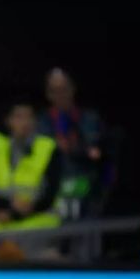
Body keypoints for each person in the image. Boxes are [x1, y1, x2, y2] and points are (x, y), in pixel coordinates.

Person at [37, 68, 105, 220]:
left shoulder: (90, 119)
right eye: (54, 91)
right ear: (48, 94)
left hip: (85, 191)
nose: (60, 95)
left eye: (64, 89)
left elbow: (95, 153)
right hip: (53, 193)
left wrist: (73, 148)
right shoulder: (42, 123)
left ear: (73, 89)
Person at [0, 101, 62, 231]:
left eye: (29, 117)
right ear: (8, 121)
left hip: (39, 224)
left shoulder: (48, 147)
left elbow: (51, 193)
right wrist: (8, 208)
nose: (25, 122)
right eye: (19, 117)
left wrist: (22, 210)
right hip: (3, 225)